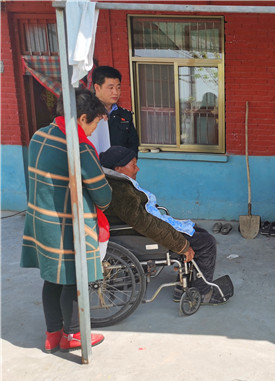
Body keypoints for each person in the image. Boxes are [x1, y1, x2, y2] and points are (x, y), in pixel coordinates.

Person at [21, 89, 112, 353]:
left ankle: (53, 335)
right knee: (74, 280)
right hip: (67, 225)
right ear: (82, 118)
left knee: (52, 278)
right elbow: (103, 195)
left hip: (41, 221)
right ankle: (73, 334)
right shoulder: (79, 147)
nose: (93, 131)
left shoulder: (39, 136)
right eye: (94, 124)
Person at [98, 146, 229, 305]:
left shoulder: (114, 182)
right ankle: (202, 293)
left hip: (140, 228)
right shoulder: (120, 191)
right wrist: (181, 245)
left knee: (197, 231)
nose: (137, 169)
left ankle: (183, 287)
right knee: (206, 243)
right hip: (137, 236)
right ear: (118, 168)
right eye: (133, 165)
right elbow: (145, 224)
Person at [90, 66, 139, 154]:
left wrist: (129, 160)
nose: (116, 92)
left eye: (118, 87)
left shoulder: (125, 115)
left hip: (120, 162)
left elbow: (133, 145)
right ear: (97, 87)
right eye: (111, 88)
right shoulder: (86, 112)